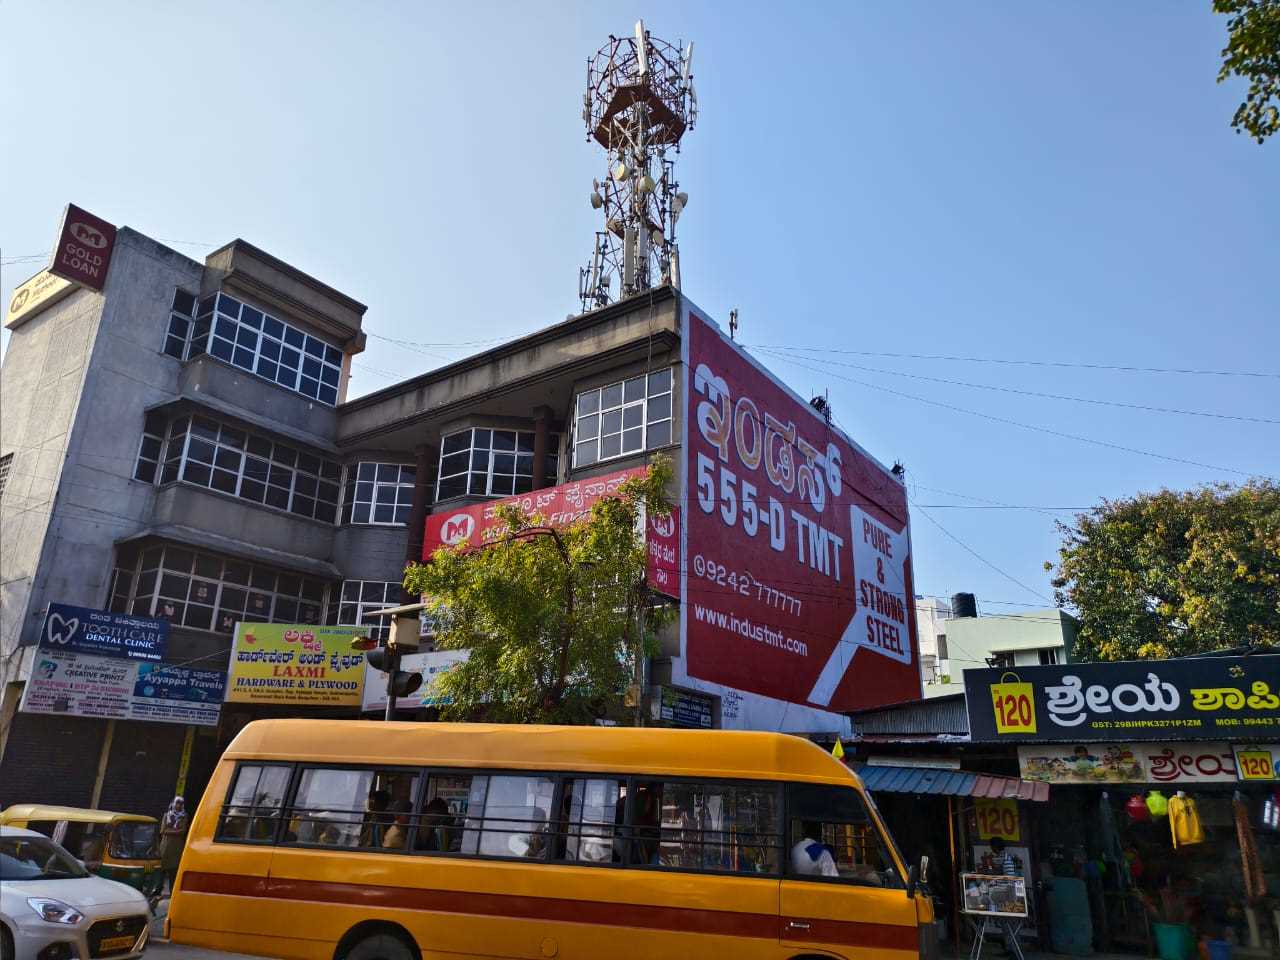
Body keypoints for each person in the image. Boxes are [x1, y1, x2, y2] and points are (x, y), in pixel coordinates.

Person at [159, 796, 188, 894]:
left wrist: (169, 830)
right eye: (177, 803)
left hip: (176, 847)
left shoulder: (184, 816)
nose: (178, 805)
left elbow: (183, 831)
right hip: (165, 846)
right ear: (173, 804)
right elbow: (162, 830)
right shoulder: (166, 815)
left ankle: (172, 890)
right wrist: (176, 831)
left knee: (173, 870)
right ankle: (158, 889)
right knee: (161, 869)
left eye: (181, 803)